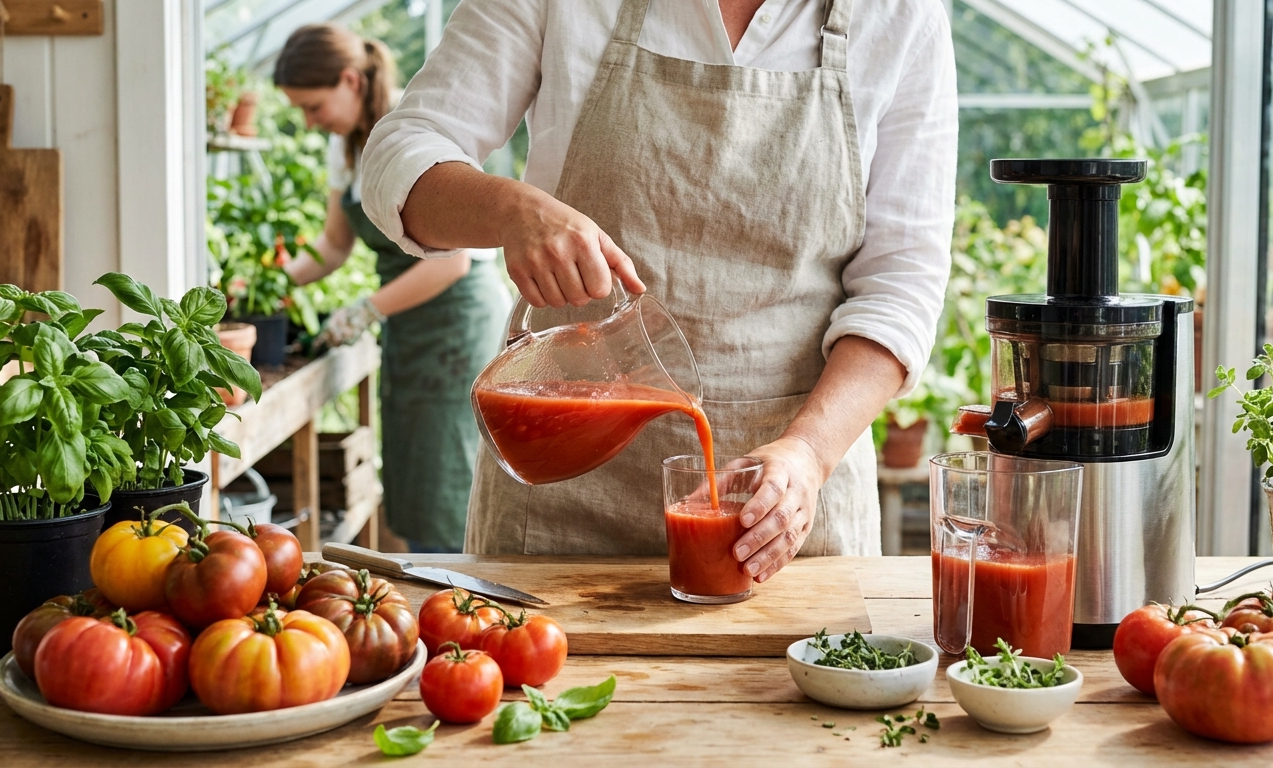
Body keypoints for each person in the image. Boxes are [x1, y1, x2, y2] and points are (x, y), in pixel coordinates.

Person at [362, 0, 957, 577]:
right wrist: (509, 209)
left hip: (782, 512)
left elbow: (901, 281)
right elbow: (400, 152)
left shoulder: (899, 13)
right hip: (561, 497)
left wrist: (808, 453)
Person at [273, 24, 512, 553]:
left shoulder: (418, 133)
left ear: (351, 81)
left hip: (455, 324)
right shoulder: (346, 149)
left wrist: (364, 309)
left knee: (446, 473)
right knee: (408, 467)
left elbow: (450, 266)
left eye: (313, 107)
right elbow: (334, 247)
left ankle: (462, 598)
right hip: (408, 324)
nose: (311, 123)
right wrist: (269, 284)